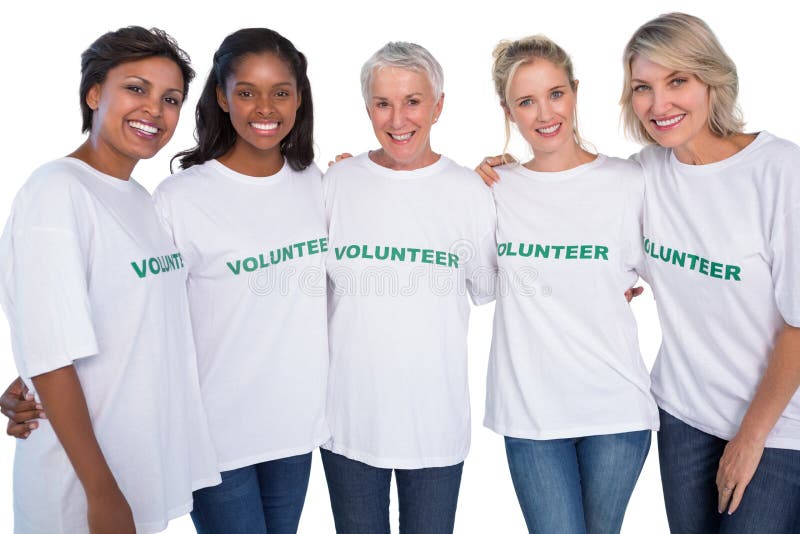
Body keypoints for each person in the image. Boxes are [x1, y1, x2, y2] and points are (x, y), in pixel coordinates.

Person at [0, 26, 220, 533]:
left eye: (170, 99)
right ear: (94, 93)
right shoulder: (56, 192)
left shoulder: (140, 200)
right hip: (80, 493)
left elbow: (123, 324)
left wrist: (23, 381)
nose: (155, 111)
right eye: (135, 88)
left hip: (138, 472)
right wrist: (101, 496)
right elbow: (53, 353)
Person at [621, 12, 800, 533]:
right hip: (683, 416)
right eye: (642, 88)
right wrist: (497, 175)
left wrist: (750, 439)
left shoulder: (780, 173)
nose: (660, 104)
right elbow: (572, 209)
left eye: (677, 81)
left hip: (778, 428)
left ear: (711, 80)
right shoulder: (644, 175)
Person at [481, 35, 657, 534]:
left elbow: (676, 268)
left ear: (575, 92)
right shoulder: (494, 189)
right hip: (532, 413)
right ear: (507, 111)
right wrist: (358, 173)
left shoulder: (629, 182)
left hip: (616, 409)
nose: (544, 113)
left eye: (555, 94)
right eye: (526, 101)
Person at [320, 41, 496, 533]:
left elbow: (491, 288)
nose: (398, 119)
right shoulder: (336, 183)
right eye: (383, 103)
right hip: (348, 425)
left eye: (413, 101)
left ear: (438, 106)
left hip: (435, 426)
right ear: (367, 108)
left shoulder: (470, 192)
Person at [157, 27, 328, 534]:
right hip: (215, 438)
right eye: (246, 92)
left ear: (299, 98)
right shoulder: (179, 199)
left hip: (295, 431)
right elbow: (141, 312)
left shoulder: (318, 185)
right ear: (221, 97)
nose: (264, 107)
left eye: (280, 92)